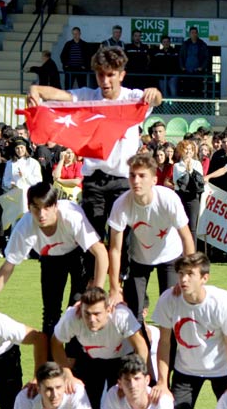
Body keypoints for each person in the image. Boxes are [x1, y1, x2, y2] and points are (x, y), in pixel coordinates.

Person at [27, 46, 163, 293]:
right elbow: (60, 96)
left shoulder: (132, 98)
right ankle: (90, 289)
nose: (105, 80)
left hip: (124, 180)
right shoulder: (89, 97)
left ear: (121, 74)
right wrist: (36, 89)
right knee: (92, 238)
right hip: (94, 181)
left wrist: (154, 93)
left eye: (111, 74)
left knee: (124, 239)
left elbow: (155, 99)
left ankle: (123, 290)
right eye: (101, 74)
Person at [0, 182, 110, 348]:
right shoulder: (25, 227)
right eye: (36, 208)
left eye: (46, 207)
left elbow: (101, 252)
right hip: (50, 259)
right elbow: (7, 268)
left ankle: (74, 362)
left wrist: (96, 294)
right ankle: (50, 366)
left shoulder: (71, 216)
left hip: (78, 253)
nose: (41, 214)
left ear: (55, 206)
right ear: (29, 208)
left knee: (77, 308)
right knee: (51, 313)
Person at [108, 154, 195, 326]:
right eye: (132, 175)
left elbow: (186, 237)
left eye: (142, 176)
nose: (136, 181)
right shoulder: (121, 204)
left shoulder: (168, 199)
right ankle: (140, 353)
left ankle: (169, 353)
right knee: (133, 316)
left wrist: (186, 275)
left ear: (154, 180)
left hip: (170, 256)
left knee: (171, 313)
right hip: (139, 258)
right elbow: (115, 249)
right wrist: (113, 288)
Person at [150, 253, 227, 408]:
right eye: (181, 273)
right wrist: (162, 382)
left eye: (190, 274)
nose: (184, 279)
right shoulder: (168, 299)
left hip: (221, 369)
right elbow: (164, 342)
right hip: (185, 370)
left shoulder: (222, 301)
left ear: (204, 278)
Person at [51, 287, 148, 408]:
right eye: (87, 313)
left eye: (97, 314)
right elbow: (56, 343)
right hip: (91, 359)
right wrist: (67, 374)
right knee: (86, 400)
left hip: (121, 359)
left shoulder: (121, 315)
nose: (92, 319)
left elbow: (141, 347)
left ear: (108, 310)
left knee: (123, 399)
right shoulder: (72, 317)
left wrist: (137, 376)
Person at [103, 354, 174, 409]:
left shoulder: (162, 402)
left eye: (137, 379)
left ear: (147, 380)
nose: (132, 385)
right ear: (120, 383)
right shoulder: (114, 396)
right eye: (127, 380)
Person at [13, 362, 91, 409]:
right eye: (48, 389)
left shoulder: (76, 393)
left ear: (64, 384)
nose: (55, 395)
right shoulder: (25, 399)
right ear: (39, 389)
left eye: (58, 387)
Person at [179, 27, 209, 97]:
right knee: (186, 90)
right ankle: (187, 107)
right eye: (192, 33)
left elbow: (206, 57)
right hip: (186, 71)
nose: (194, 34)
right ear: (189, 34)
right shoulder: (185, 44)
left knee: (198, 90)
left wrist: (202, 67)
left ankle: (197, 107)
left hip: (198, 72)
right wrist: (182, 67)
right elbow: (180, 56)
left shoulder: (202, 44)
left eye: (195, 32)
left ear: (197, 34)